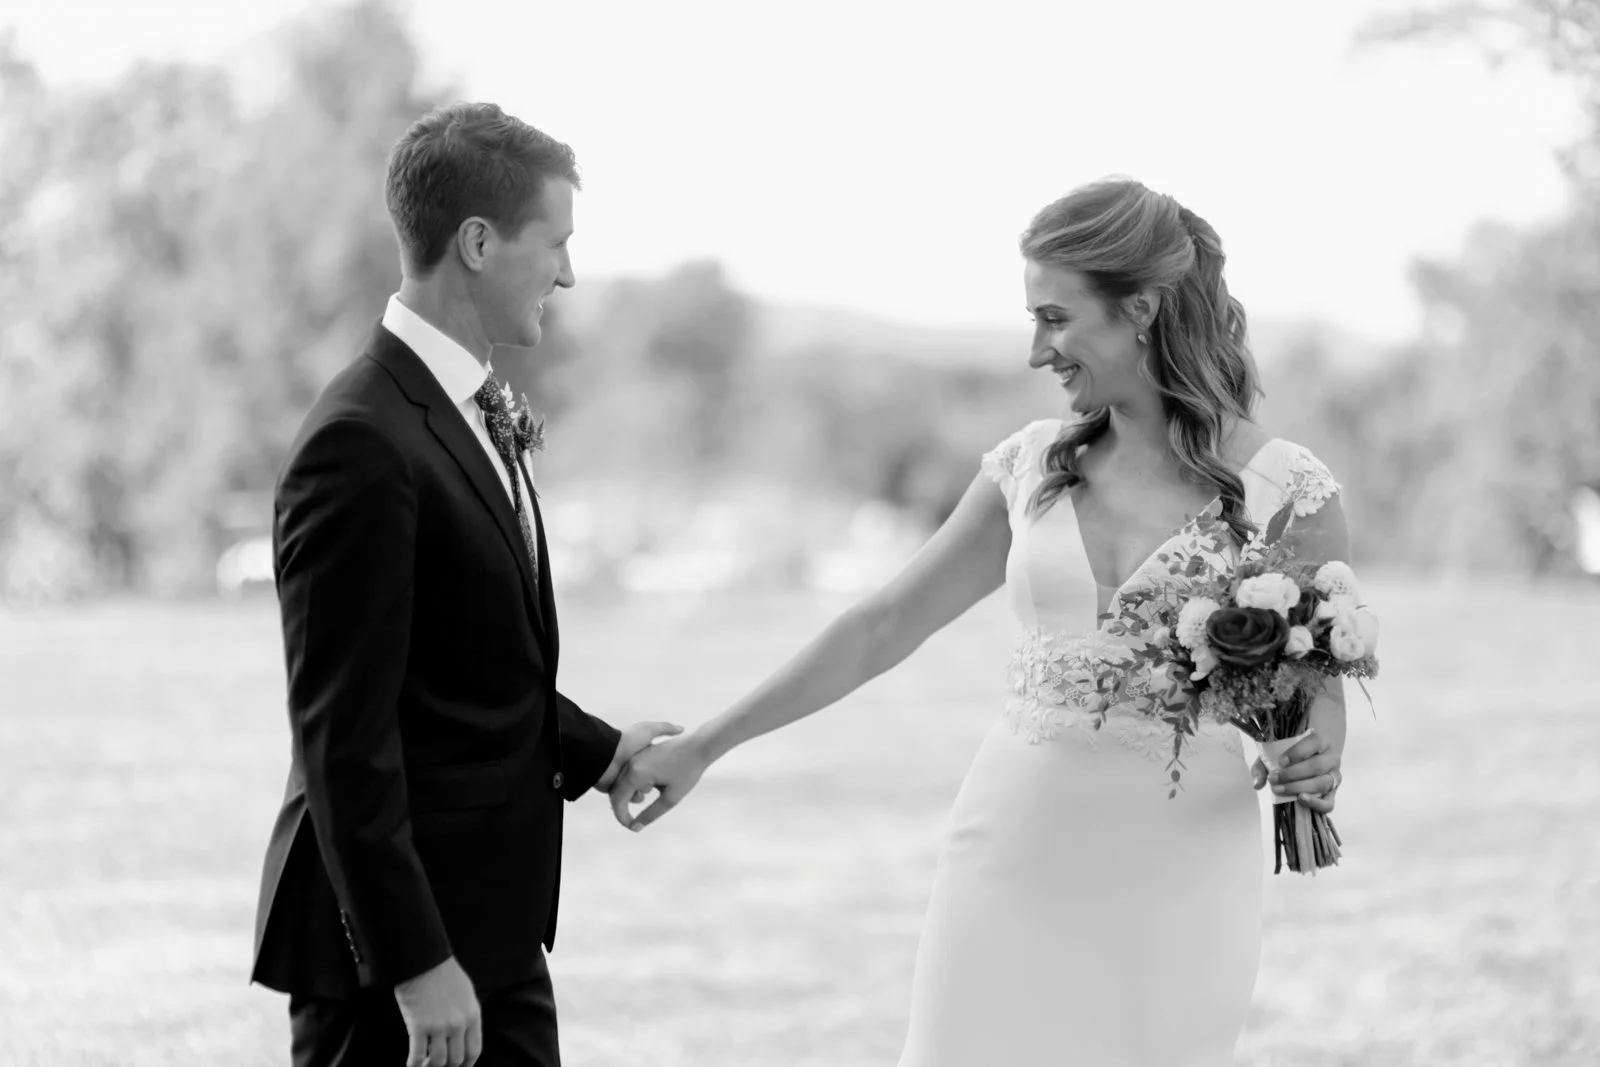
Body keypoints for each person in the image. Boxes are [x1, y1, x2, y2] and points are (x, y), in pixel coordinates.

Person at [611, 178, 1350, 1065]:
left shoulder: (1286, 489)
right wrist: (706, 743)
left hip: (1181, 867)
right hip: (1013, 848)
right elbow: (882, 624)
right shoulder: (1031, 466)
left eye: (1056, 318)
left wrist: (1319, 750)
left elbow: (1318, 684)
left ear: (1142, 309)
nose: (1039, 350)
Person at [250, 102, 680, 1067]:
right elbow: (342, 736)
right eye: (555, 243)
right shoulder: (361, 440)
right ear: (478, 243)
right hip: (400, 966)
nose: (568, 274)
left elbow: (460, 666)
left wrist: (602, 751)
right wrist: (414, 962)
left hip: (489, 929)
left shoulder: (466, 407)